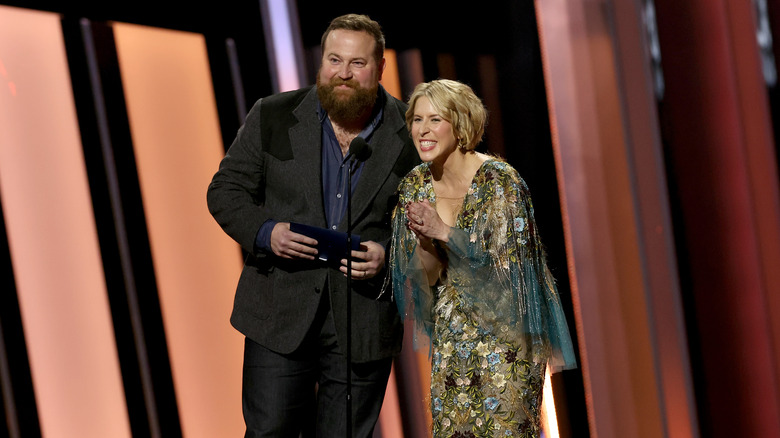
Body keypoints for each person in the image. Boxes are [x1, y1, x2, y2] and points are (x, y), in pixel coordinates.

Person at [207, 14, 420, 437]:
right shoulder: (273, 115)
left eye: (357, 64)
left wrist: (391, 255)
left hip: (363, 318)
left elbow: (433, 226)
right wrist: (268, 232)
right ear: (320, 62)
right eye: (333, 60)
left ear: (379, 68)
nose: (343, 73)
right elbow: (225, 191)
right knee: (271, 432)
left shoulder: (411, 132)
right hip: (278, 312)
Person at [388, 79, 577, 437]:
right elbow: (426, 279)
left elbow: (508, 276)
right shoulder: (414, 185)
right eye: (416, 119)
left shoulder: (500, 182)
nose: (422, 130)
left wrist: (444, 231)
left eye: (435, 119)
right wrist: (425, 240)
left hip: (505, 342)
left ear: (459, 125)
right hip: (452, 342)